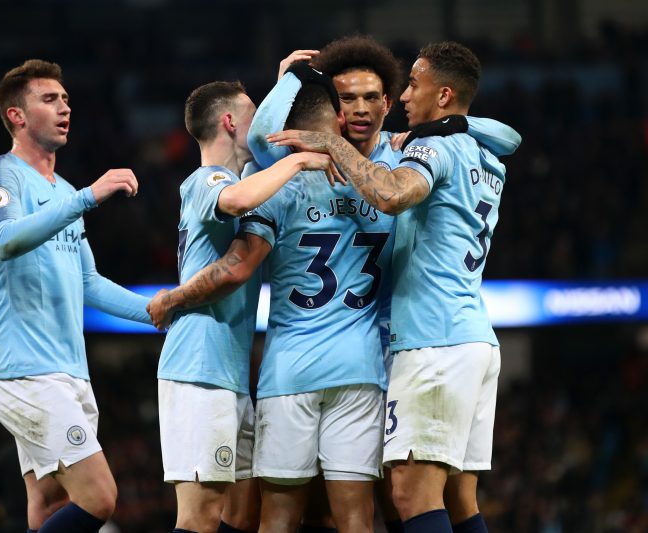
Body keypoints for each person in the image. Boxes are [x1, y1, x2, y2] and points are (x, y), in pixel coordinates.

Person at [249, 35, 520, 533]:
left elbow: (393, 194)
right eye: (347, 98)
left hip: (418, 344)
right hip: (430, 342)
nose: (362, 108)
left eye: (376, 97)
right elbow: (508, 136)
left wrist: (428, 132)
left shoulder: (411, 155)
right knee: (450, 497)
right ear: (331, 106)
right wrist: (289, 82)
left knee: (407, 496)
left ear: (390, 101)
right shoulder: (450, 148)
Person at [150, 80, 386, 533]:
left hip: (247, 371)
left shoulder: (265, 186)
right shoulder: (211, 180)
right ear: (230, 122)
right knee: (201, 515)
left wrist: (291, 80)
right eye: (255, 112)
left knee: (245, 514)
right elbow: (237, 205)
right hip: (201, 366)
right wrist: (300, 155)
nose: (264, 121)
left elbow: (241, 251)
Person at [0, 59, 154, 533]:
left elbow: (88, 282)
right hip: (26, 372)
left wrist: (160, 311)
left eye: (66, 99)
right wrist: (89, 197)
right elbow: (5, 240)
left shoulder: (66, 191)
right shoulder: (1, 178)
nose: (64, 107)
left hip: (70, 372)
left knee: (50, 504)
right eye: (49, 99)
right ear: (16, 115)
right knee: (100, 498)